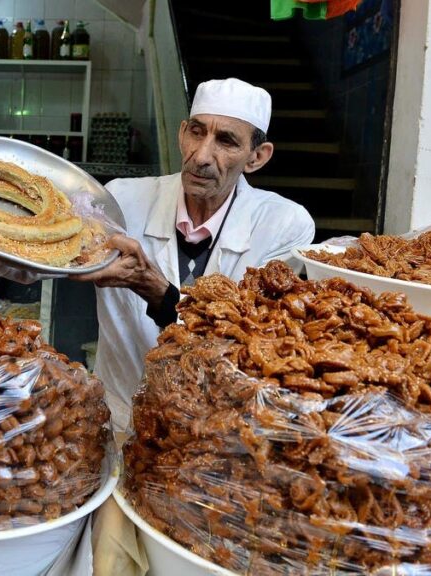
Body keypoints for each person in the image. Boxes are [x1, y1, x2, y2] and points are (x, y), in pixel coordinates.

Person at [74, 78, 316, 431]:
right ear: (181, 133)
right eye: (197, 133)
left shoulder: (283, 225)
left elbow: (241, 343)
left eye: (226, 141)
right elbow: (38, 262)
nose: (201, 156)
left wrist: (160, 292)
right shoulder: (122, 201)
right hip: (117, 418)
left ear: (256, 157)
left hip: (215, 429)